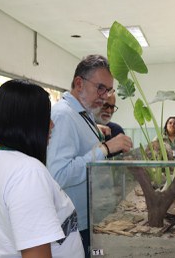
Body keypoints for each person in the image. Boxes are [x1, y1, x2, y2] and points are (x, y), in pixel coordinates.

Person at [0, 79, 84, 258]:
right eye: (46, 118)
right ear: (27, 123)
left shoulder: (0, 159)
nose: (52, 125)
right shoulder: (28, 172)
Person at [47, 55, 132, 255]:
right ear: (79, 83)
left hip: (90, 218)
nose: (104, 96)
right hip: (76, 226)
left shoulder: (82, 115)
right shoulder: (63, 115)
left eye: (108, 90)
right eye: (100, 87)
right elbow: (59, 174)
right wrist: (105, 149)